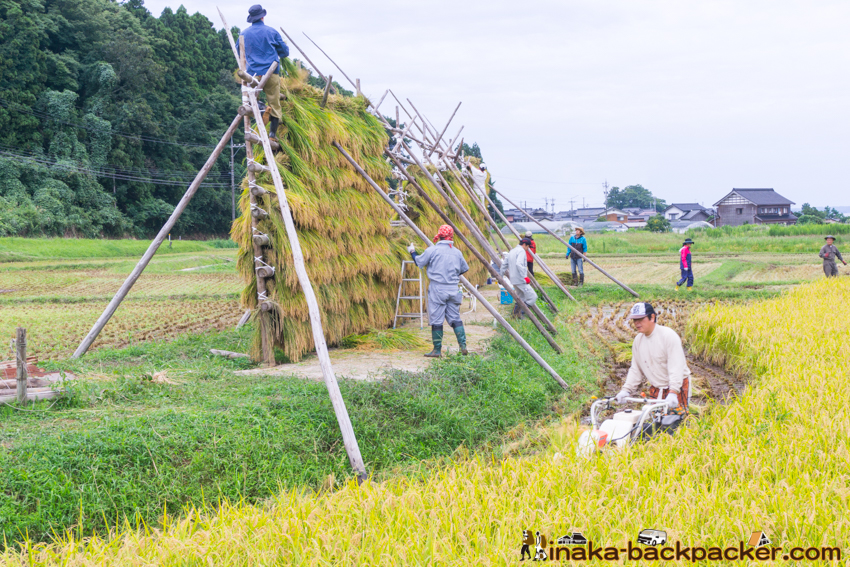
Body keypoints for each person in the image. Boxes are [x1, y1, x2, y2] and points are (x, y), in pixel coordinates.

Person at [615, 302, 691, 412]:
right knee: (655, 423)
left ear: (652, 317)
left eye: (641, 319)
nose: (637, 323)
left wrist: (673, 392)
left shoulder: (668, 336)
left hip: (677, 387)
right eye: (635, 320)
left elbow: (676, 366)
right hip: (656, 387)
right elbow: (636, 369)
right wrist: (626, 390)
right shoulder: (638, 340)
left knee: (674, 422)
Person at [407, 225, 470, 357]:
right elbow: (464, 269)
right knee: (455, 318)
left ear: (439, 235)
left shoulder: (432, 250)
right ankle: (463, 347)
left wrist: (412, 251)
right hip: (453, 288)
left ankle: (437, 350)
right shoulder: (457, 252)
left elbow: (419, 262)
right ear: (451, 236)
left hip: (438, 288)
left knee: (436, 319)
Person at [240, 5, 289, 139]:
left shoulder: (243, 34)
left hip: (253, 75)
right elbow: (285, 52)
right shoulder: (271, 32)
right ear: (262, 17)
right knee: (274, 102)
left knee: (250, 99)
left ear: (251, 19)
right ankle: (272, 134)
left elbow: (240, 52)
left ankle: (262, 109)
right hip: (271, 73)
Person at [500, 238, 538, 319]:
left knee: (521, 298)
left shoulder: (512, 251)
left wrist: (501, 276)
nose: (528, 249)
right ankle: (521, 313)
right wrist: (525, 277)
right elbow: (519, 264)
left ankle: (514, 316)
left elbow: (503, 265)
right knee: (533, 297)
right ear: (524, 245)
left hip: (513, 279)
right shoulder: (521, 251)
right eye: (528, 247)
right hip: (521, 279)